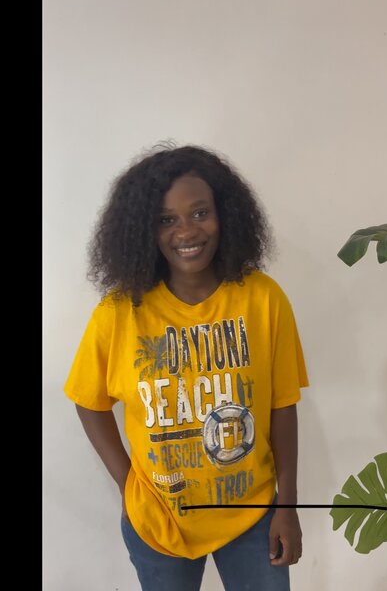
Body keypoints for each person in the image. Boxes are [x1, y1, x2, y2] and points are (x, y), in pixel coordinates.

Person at [64, 144, 309, 591]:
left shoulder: (263, 298)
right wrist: (128, 485)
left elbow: (282, 404)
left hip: (253, 513)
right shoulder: (120, 312)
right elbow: (88, 402)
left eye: (200, 213)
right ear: (145, 228)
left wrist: (287, 506)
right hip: (159, 520)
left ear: (225, 214)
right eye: (166, 219)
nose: (186, 231)